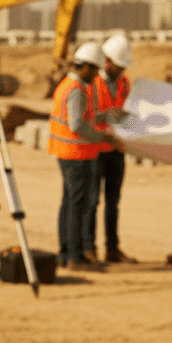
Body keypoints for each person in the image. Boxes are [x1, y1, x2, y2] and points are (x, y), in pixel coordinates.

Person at [48, 42, 122, 270]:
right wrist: (103, 138)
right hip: (76, 154)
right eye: (95, 70)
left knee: (69, 204)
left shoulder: (67, 86)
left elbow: (83, 117)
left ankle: (65, 253)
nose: (96, 75)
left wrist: (104, 116)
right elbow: (78, 125)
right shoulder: (77, 90)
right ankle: (75, 257)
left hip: (67, 153)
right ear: (87, 67)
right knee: (77, 206)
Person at [87, 33, 136, 263]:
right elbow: (84, 118)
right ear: (107, 61)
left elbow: (123, 109)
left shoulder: (124, 82)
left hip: (117, 150)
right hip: (96, 149)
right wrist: (106, 116)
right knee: (92, 201)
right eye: (119, 66)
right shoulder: (92, 81)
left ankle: (113, 249)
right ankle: (89, 248)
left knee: (113, 202)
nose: (122, 71)